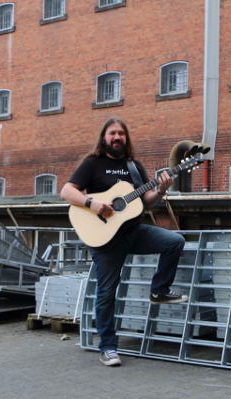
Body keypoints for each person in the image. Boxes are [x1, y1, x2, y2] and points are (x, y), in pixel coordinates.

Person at [60, 117, 187, 367]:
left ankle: (159, 290)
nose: (117, 137)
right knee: (107, 292)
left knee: (174, 241)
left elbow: (143, 201)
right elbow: (66, 191)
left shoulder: (134, 166)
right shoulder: (93, 163)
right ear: (104, 137)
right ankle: (108, 347)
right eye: (112, 133)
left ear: (126, 138)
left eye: (121, 134)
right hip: (106, 240)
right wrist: (93, 203)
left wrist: (160, 190)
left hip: (134, 231)